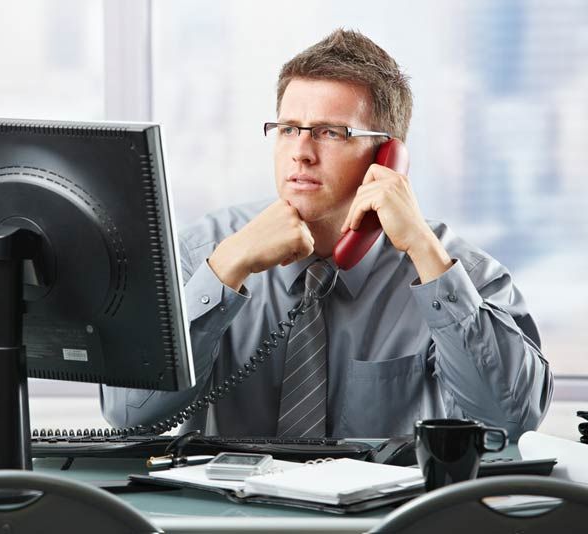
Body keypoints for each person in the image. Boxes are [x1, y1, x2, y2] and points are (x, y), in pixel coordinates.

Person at [101, 29, 552, 440]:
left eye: (330, 133)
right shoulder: (202, 252)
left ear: (388, 155)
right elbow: (128, 413)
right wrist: (224, 271)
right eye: (288, 129)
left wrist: (423, 253)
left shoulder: (461, 274)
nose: (301, 152)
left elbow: (510, 419)